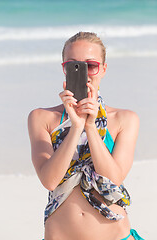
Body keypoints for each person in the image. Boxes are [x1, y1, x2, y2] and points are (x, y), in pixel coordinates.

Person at [28, 32, 144, 240]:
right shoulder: (41, 117)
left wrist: (90, 127)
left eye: (90, 65)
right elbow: (49, 180)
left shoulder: (124, 119)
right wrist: (75, 127)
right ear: (64, 69)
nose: (84, 72)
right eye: (73, 65)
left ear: (103, 69)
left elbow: (113, 177)